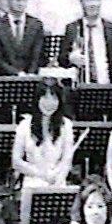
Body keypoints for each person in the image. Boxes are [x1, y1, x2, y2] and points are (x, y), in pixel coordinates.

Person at [13, 75, 76, 212]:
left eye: (54, 98)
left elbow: (67, 160)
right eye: (45, 97)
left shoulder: (66, 125)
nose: (49, 103)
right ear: (37, 99)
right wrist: (40, 174)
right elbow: (16, 161)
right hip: (32, 182)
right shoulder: (24, 125)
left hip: (57, 183)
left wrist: (58, 178)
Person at [63, 0, 112, 86]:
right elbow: (62, 60)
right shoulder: (72, 29)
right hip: (81, 89)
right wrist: (70, 59)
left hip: (107, 87)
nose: (92, 4)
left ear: (100, 1)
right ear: (81, 2)